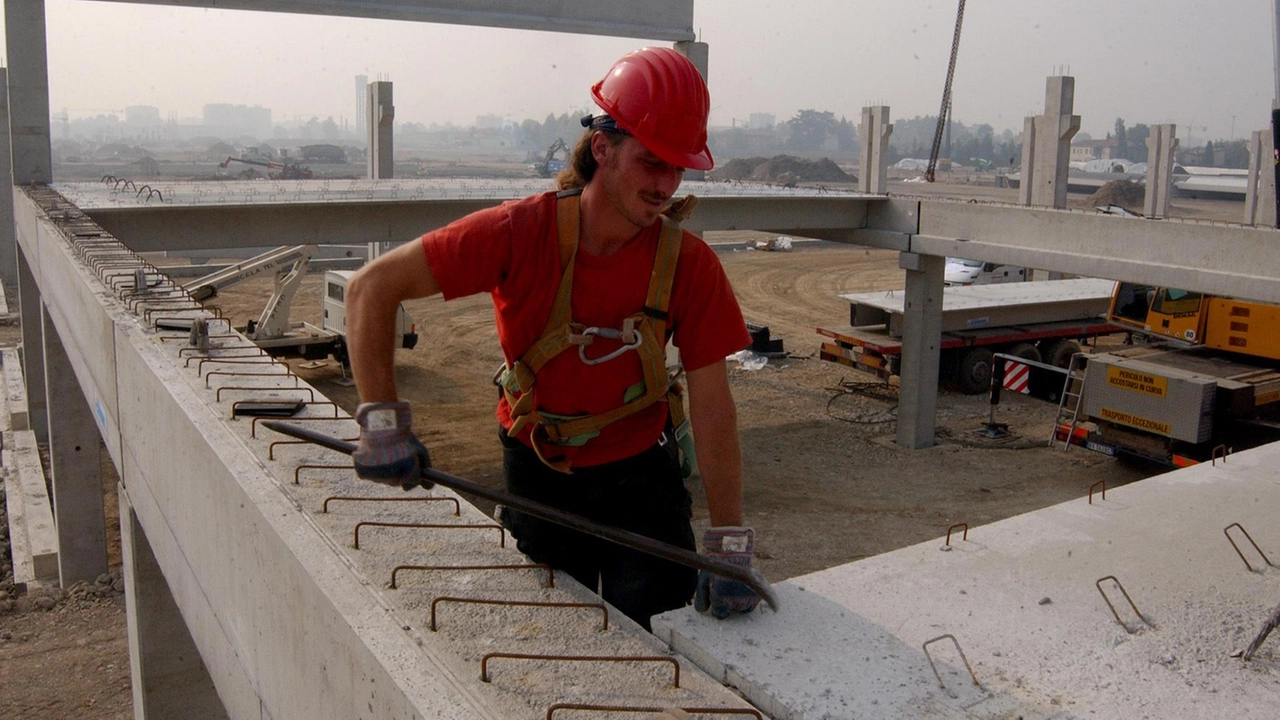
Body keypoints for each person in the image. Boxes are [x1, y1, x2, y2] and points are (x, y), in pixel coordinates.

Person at [344, 47, 761, 631]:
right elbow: (371, 289)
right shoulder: (521, 234)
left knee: (660, 647)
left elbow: (714, 408)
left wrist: (728, 540)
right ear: (602, 148)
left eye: (678, 168)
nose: (666, 184)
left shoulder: (688, 265)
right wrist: (382, 420)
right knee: (549, 638)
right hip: (540, 476)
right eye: (651, 162)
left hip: (641, 483)